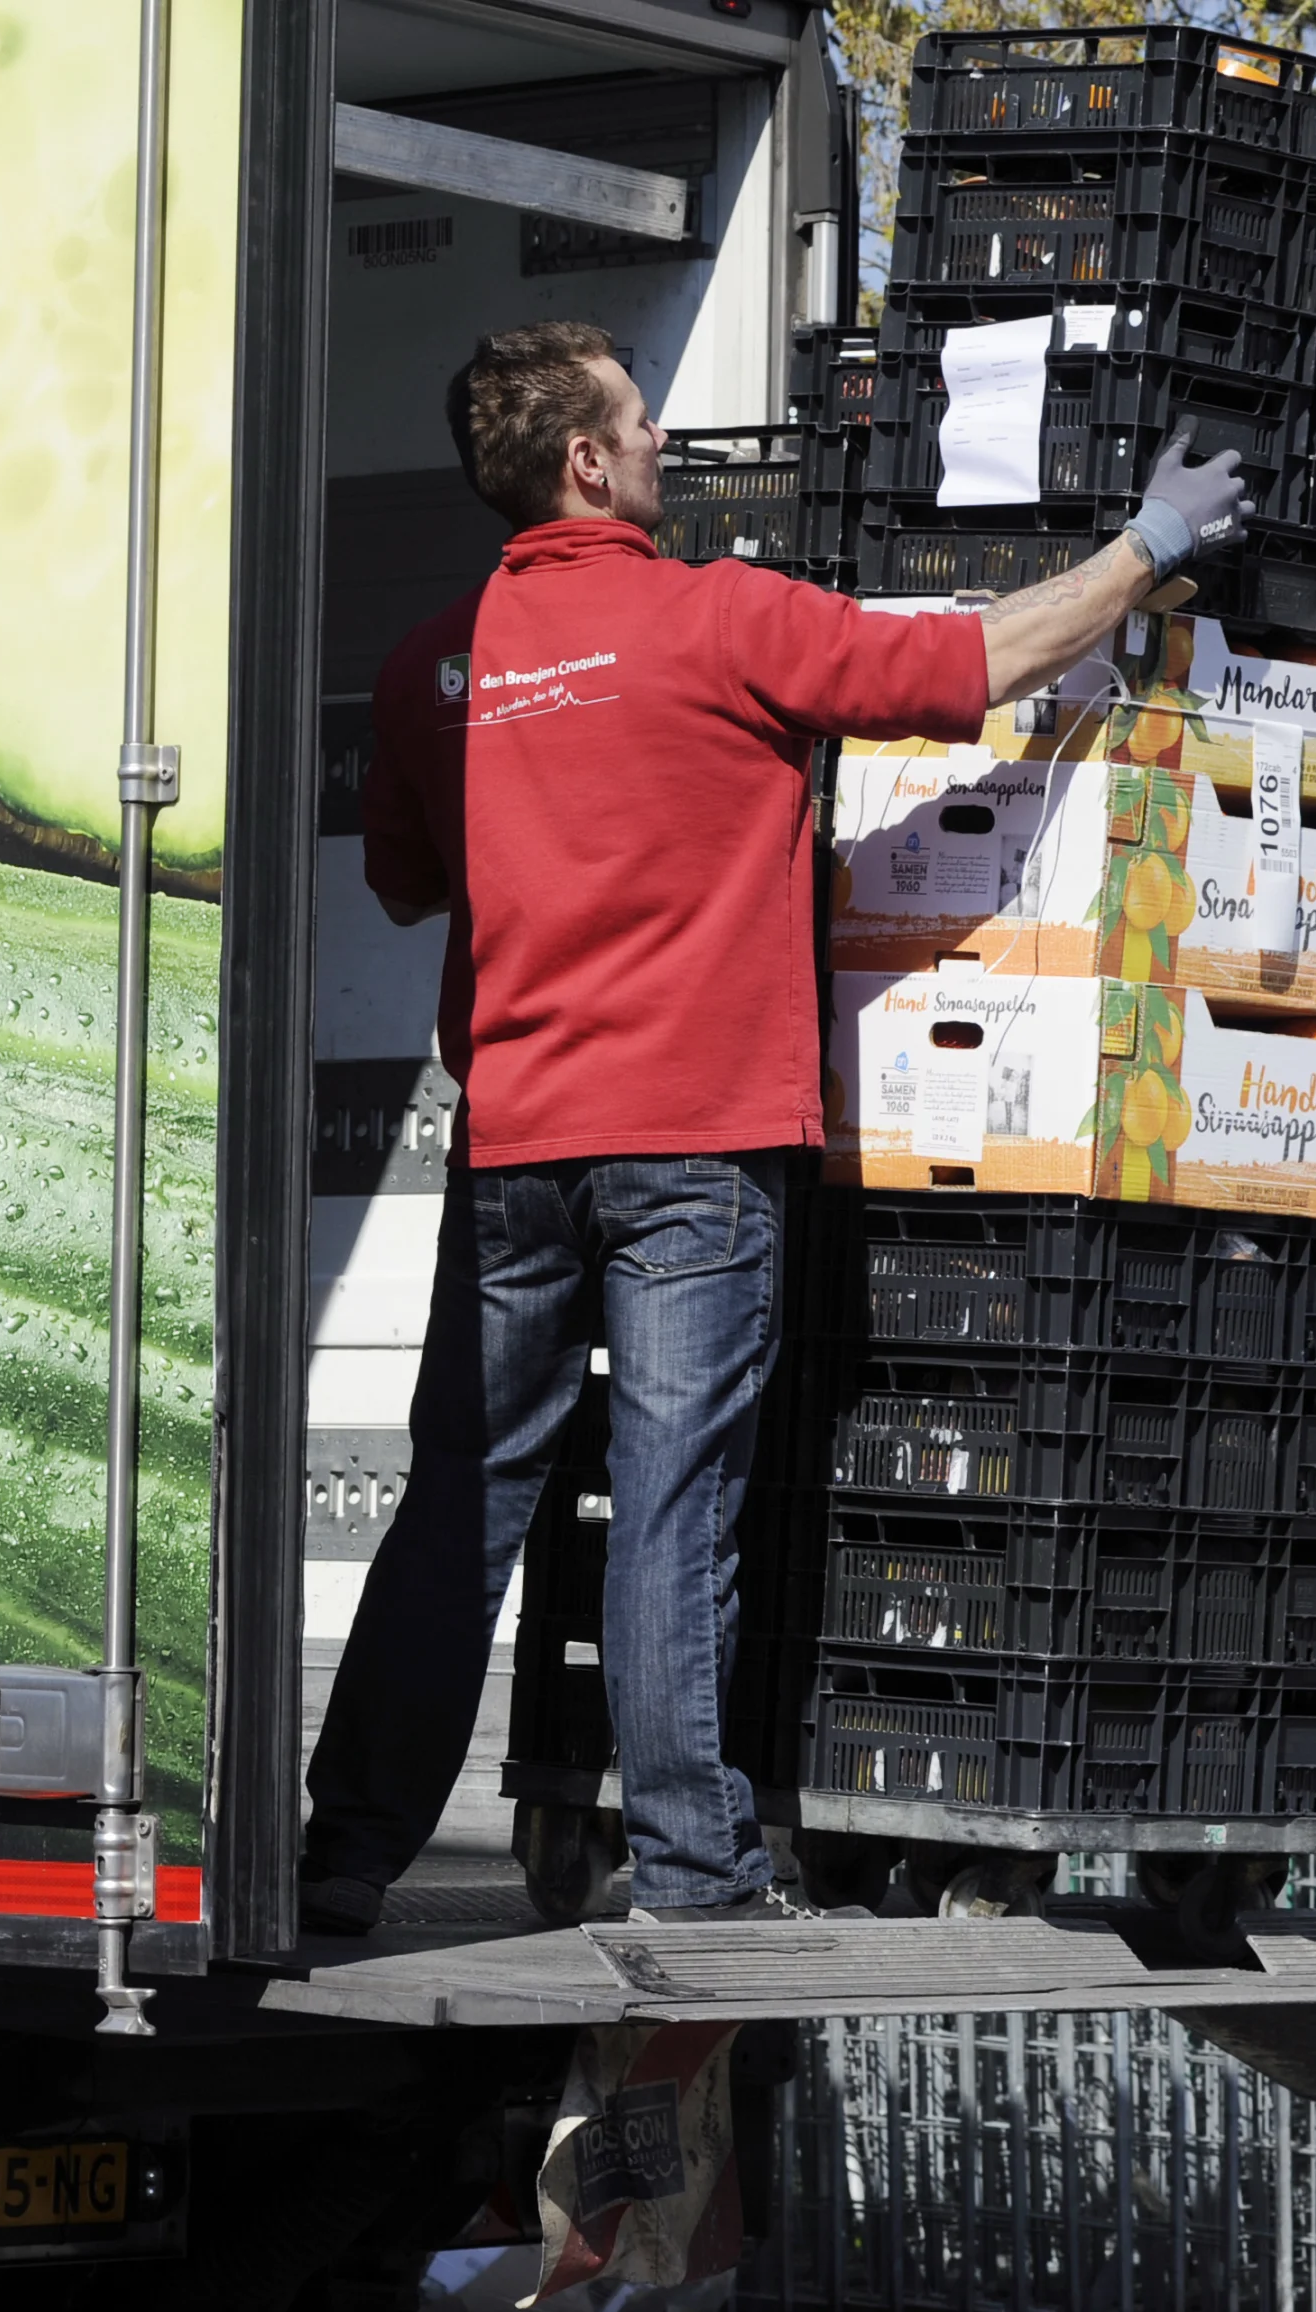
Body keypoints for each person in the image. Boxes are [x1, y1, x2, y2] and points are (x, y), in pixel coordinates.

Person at [298, 320, 1254, 1933]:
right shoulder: (723, 621)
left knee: (463, 1496)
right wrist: (1149, 544)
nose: (661, 437)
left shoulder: (428, 667)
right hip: (692, 1148)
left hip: (517, 1143)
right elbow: (977, 665)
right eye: (637, 419)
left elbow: (405, 884)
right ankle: (691, 1870)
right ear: (586, 461)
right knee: (675, 1506)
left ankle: (345, 1855)